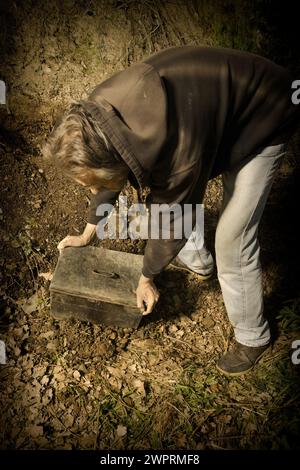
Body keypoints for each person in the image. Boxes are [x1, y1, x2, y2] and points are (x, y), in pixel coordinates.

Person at [43, 45, 299, 376]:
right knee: (172, 202)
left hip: (266, 112)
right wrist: (87, 233)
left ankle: (253, 335)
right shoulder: (97, 117)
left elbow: (174, 215)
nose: (93, 191)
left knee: (231, 238)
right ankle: (199, 262)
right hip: (213, 108)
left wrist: (146, 278)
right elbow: (110, 175)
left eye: (92, 184)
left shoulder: (180, 149)